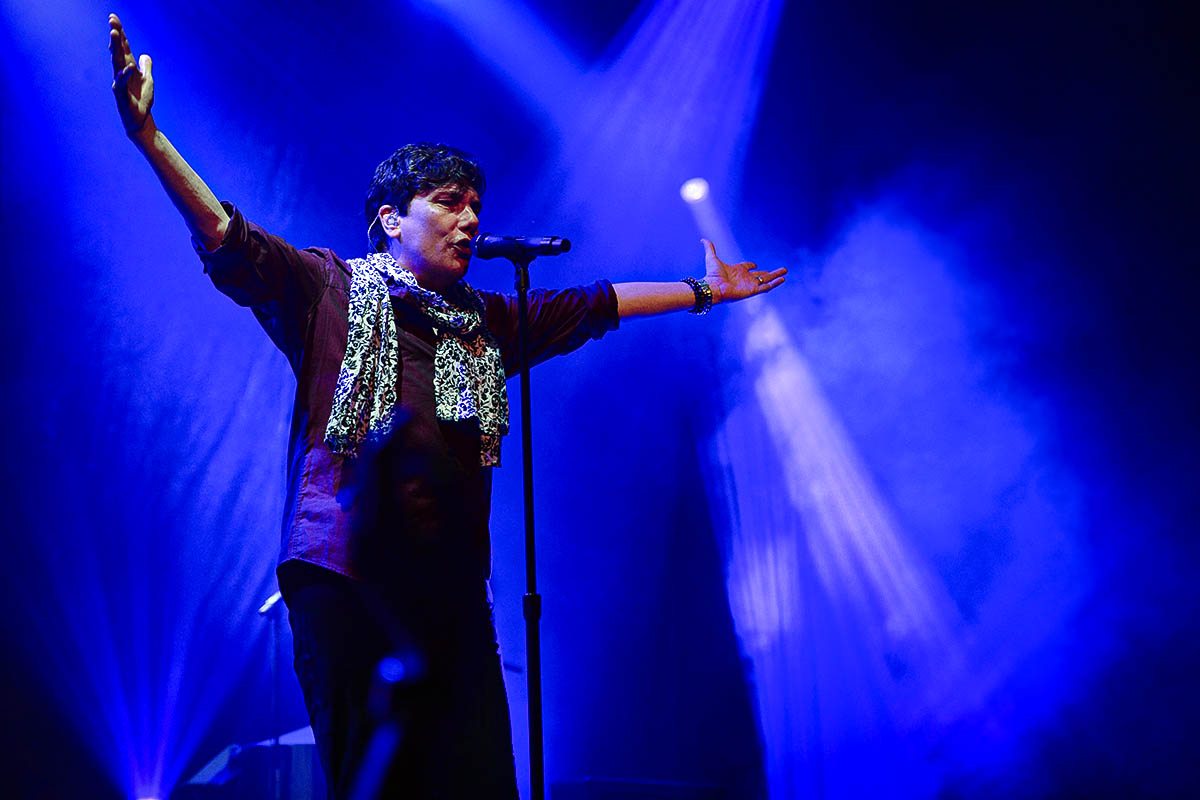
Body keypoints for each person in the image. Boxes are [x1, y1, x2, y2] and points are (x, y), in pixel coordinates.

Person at [108, 12, 786, 799]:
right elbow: (231, 239)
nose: (470, 219)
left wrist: (704, 290)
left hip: (453, 588)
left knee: (480, 781)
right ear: (391, 219)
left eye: (476, 205)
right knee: (375, 781)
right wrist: (151, 139)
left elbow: (592, 305)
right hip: (343, 572)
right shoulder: (328, 288)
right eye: (449, 201)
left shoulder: (486, 322)